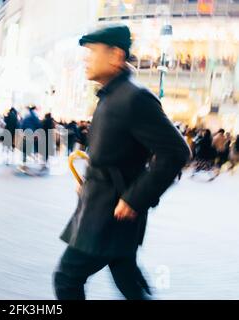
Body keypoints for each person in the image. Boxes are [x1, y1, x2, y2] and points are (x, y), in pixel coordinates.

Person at [53, 25, 191, 300]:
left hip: (110, 212)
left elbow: (176, 152)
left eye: (92, 51)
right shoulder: (113, 95)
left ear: (116, 55)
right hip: (103, 205)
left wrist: (134, 199)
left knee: (67, 279)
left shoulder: (134, 97)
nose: (85, 58)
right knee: (127, 280)